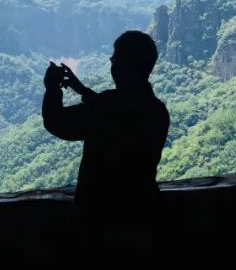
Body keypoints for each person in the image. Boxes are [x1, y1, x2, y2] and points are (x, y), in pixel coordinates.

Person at [42, 30, 170, 224]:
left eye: (116, 56)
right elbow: (120, 114)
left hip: (100, 217)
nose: (111, 60)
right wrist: (83, 91)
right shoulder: (158, 111)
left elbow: (57, 122)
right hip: (143, 214)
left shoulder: (107, 107)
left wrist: (52, 87)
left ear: (125, 65)